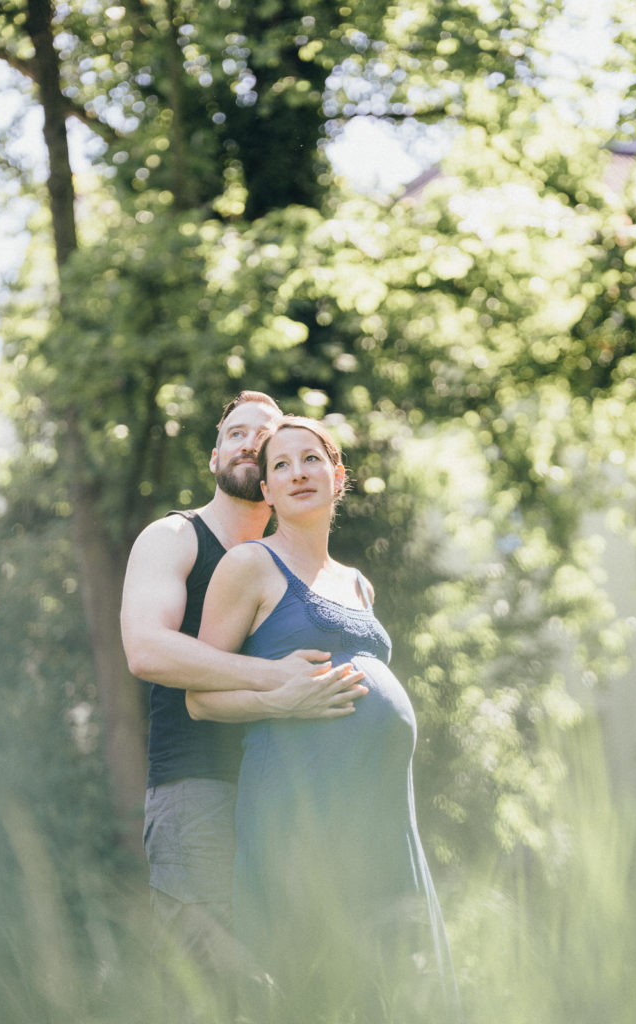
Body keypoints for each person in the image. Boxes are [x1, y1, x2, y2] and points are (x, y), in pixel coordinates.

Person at [187, 416, 460, 1024]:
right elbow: (199, 697)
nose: (297, 473)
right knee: (313, 977)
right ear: (267, 490)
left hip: (383, 815)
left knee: (392, 978)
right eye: (279, 465)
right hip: (298, 807)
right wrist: (275, 702)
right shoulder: (250, 565)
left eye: (310, 459)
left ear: (338, 477)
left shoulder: (358, 584)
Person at [120, 393, 366, 1021]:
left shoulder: (292, 563)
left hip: (281, 795)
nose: (249, 446)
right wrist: (272, 681)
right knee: (215, 984)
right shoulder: (176, 536)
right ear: (215, 455)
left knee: (286, 983)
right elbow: (147, 650)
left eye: (264, 439)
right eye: (236, 434)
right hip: (198, 789)